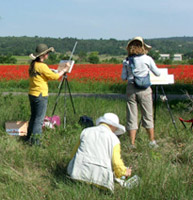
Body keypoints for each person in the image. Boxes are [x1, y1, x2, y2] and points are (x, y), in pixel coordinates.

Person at [67, 113, 132, 192]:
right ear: (113, 126)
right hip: (101, 181)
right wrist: (124, 172)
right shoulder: (114, 139)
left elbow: (73, 154)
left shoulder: (86, 131)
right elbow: (116, 162)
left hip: (77, 174)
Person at [121, 36, 161, 149]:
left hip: (131, 89)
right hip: (145, 90)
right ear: (142, 47)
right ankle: (152, 141)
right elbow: (157, 73)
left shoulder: (126, 61)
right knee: (148, 115)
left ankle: (132, 143)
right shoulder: (147, 59)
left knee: (131, 116)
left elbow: (123, 77)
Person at [26, 43, 69, 144]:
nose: (48, 55)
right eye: (47, 53)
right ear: (43, 55)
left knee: (33, 117)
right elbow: (54, 77)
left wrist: (52, 71)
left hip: (32, 93)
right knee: (39, 119)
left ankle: (29, 138)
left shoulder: (34, 65)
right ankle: (36, 142)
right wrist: (64, 70)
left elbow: (43, 74)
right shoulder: (42, 66)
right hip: (40, 94)